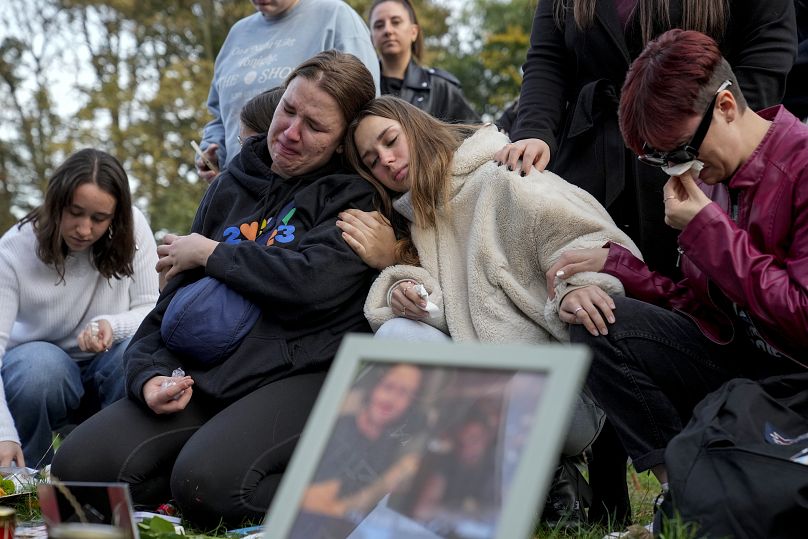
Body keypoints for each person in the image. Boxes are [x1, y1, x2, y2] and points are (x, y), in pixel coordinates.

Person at [52, 51, 381, 527]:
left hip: (298, 376)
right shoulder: (229, 185)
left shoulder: (354, 196)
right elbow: (171, 305)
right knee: (75, 474)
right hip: (206, 377)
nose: (289, 132)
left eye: (315, 126)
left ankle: (360, 488)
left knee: (207, 489)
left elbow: (310, 283)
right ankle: (192, 466)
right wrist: (149, 376)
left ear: (342, 141)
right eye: (288, 110)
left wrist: (212, 254)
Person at [545, 29, 808, 525]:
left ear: (726, 105)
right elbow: (709, 313)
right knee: (600, 320)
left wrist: (709, 229)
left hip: (794, 384)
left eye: (681, 150)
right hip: (746, 373)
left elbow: (802, 318)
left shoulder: (801, 164)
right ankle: (678, 496)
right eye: (659, 159)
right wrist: (619, 268)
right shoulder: (720, 179)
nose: (676, 169)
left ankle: (702, 490)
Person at [340, 96, 641, 523]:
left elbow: (590, 236)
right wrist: (406, 286)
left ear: (416, 127)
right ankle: (542, 485)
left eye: (391, 141)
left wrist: (578, 286)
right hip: (487, 394)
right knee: (397, 337)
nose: (387, 161)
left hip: (562, 394)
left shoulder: (501, 174)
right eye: (372, 161)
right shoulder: (421, 219)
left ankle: (525, 481)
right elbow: (457, 312)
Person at [494, 0, 797, 276]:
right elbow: (547, 57)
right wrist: (534, 131)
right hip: (589, 163)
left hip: (695, 166)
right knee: (581, 297)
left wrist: (714, 140)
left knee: (685, 298)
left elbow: (767, 48)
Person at [0, 148, 159, 468]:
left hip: (109, 367)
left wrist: (112, 326)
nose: (84, 230)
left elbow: (151, 308)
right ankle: (27, 477)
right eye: (75, 213)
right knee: (37, 368)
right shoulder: (14, 249)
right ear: (55, 203)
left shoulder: (134, 229)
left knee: (135, 350)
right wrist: (3, 432)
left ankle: (121, 471)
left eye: (99, 219)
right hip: (44, 378)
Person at [195, 0, 381, 183]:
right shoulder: (237, 33)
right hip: (238, 186)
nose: (290, 133)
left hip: (307, 194)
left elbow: (365, 113)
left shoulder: (335, 16)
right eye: (288, 109)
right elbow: (219, 114)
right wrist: (213, 150)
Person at [295, 363, 424, 535]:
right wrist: (386, 482)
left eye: (404, 393)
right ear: (374, 386)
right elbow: (324, 506)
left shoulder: (389, 450)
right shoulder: (339, 428)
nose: (391, 399)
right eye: (389, 386)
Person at [368, 0, 479, 124]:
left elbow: (478, 135)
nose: (387, 30)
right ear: (371, 37)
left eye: (396, 22)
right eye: (378, 25)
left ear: (414, 32)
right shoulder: (363, 87)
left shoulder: (440, 87)